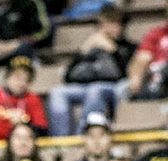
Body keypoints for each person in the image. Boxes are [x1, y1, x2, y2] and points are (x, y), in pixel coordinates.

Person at [47, 6, 134, 137]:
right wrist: (82, 52)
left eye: (115, 24)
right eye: (106, 24)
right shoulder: (91, 46)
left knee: (95, 90)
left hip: (112, 88)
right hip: (83, 87)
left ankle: (82, 135)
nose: (111, 28)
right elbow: (68, 77)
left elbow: (126, 75)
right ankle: (61, 139)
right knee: (57, 92)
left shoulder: (128, 47)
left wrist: (113, 51)